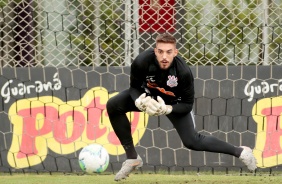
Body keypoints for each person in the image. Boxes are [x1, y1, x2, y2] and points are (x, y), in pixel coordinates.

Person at [106, 33, 257, 181]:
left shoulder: (183, 72)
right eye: (160, 51)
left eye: (169, 52)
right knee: (113, 105)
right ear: (155, 50)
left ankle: (241, 152)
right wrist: (138, 99)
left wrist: (167, 109)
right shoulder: (142, 61)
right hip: (149, 97)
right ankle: (132, 158)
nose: (164, 56)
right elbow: (134, 87)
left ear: (175, 52)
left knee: (192, 141)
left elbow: (187, 104)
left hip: (174, 102)